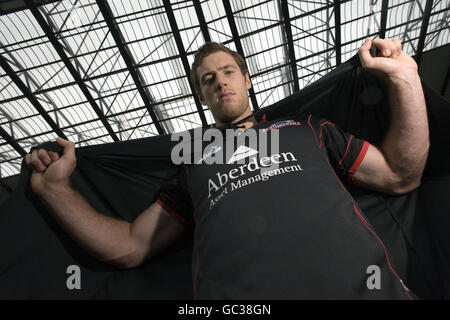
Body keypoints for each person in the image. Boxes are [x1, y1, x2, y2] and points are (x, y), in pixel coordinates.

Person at [25, 37, 429, 299]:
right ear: (202, 96)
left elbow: (400, 174)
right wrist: (55, 191)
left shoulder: (308, 128)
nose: (219, 82)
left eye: (228, 71)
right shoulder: (194, 162)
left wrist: (405, 78)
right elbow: (129, 247)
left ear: (248, 79)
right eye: (207, 79)